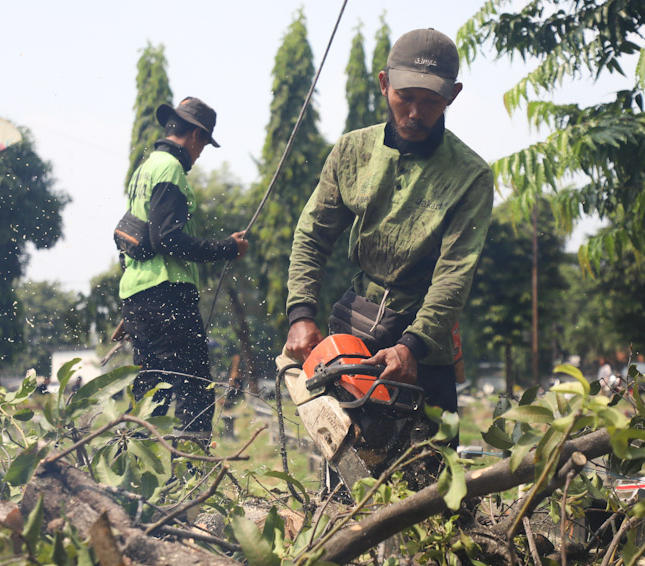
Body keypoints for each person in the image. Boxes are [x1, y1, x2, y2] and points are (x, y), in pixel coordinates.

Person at [284, 29, 493, 436]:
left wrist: (411, 347)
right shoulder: (351, 151)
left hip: (425, 343)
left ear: (453, 95)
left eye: (431, 100)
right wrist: (301, 314)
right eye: (405, 96)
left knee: (428, 478)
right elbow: (312, 235)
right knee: (348, 469)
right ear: (384, 84)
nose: (415, 112)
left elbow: (455, 273)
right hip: (355, 328)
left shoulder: (471, 176)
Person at [119, 97, 249, 439]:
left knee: (151, 394)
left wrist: (134, 309)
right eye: (204, 143)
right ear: (195, 135)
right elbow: (167, 240)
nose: (202, 151)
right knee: (196, 389)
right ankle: (193, 476)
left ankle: (131, 475)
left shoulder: (144, 169)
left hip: (140, 294)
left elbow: (138, 236)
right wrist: (228, 248)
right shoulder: (171, 170)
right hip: (167, 296)